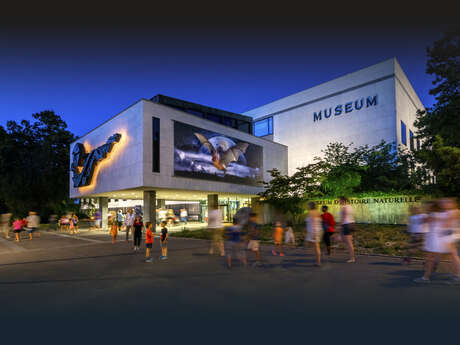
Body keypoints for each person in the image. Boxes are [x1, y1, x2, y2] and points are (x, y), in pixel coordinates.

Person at [415, 198, 460, 284]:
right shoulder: (441, 214)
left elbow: (448, 224)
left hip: (444, 237)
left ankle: (426, 277)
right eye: (443, 203)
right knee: (450, 256)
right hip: (443, 237)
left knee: (432, 257)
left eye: (447, 202)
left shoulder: (454, 212)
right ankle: (456, 274)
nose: (444, 204)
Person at [306, 202, 323, 266]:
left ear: (311, 206)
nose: (308, 206)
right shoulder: (317, 212)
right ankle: (318, 261)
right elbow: (319, 222)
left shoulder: (311, 212)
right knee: (315, 246)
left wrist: (314, 233)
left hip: (313, 232)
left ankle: (318, 262)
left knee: (315, 246)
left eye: (308, 205)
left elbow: (314, 223)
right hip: (316, 231)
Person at [339, 196, 356, 263]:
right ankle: (351, 255)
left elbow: (343, 217)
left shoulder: (344, 207)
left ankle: (352, 258)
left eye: (339, 200)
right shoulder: (350, 206)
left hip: (346, 225)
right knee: (345, 240)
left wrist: (339, 226)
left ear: (343, 200)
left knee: (349, 242)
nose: (339, 202)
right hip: (351, 224)